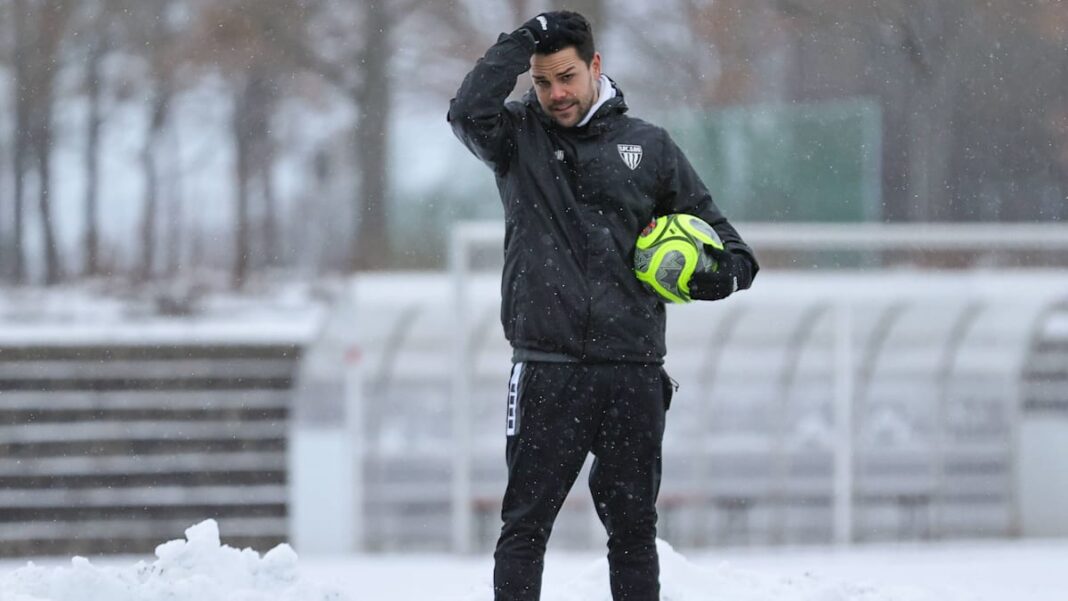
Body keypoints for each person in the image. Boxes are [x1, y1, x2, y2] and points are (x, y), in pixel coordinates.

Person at [447, 11, 758, 601]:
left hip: (631, 371)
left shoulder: (651, 146)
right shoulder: (517, 138)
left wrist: (706, 276)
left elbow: (737, 254)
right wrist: (520, 42)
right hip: (546, 368)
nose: (556, 94)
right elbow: (465, 111)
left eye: (566, 77)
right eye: (542, 83)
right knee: (523, 531)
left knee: (634, 533)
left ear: (595, 66)